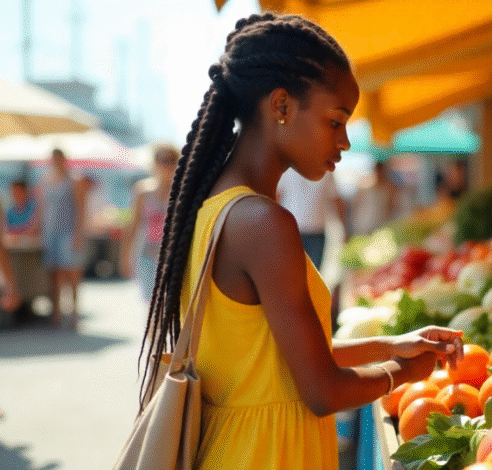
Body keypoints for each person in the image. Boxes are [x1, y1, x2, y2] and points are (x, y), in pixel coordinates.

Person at [138, 13, 463, 470]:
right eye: (335, 121)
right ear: (281, 106)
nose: (346, 141)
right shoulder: (263, 222)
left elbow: (280, 362)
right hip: (267, 455)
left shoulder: (219, 207)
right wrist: (405, 372)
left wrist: (392, 345)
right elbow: (322, 390)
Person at [119, 144, 178, 303]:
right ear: (155, 162)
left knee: (168, 305)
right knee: (151, 303)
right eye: (164, 160)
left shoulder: (182, 191)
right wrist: (125, 255)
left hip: (172, 257)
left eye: (173, 160)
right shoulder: (142, 190)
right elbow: (134, 224)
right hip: (146, 255)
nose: (168, 165)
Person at [37, 148, 87, 329]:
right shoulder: (45, 179)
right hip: (50, 232)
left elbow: (81, 209)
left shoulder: (74, 179)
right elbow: (41, 209)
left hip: (68, 232)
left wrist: (78, 235)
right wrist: (34, 229)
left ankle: (74, 311)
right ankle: (56, 312)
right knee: (54, 273)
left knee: (71, 273)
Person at [276, 168, 346, 270]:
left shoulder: (325, 170)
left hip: (313, 230)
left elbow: (336, 200)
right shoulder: (286, 168)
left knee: (304, 273)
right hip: (295, 230)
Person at [350, 160, 400, 236]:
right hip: (364, 224)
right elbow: (356, 205)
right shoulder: (365, 186)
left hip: (381, 224)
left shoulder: (389, 188)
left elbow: (392, 207)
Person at [4, 178, 40, 243]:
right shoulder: (10, 210)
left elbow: (34, 229)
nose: (16, 195)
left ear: (25, 192)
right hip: (16, 245)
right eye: (14, 192)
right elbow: (7, 230)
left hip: (32, 244)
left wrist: (17, 233)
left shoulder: (34, 207)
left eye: (19, 191)